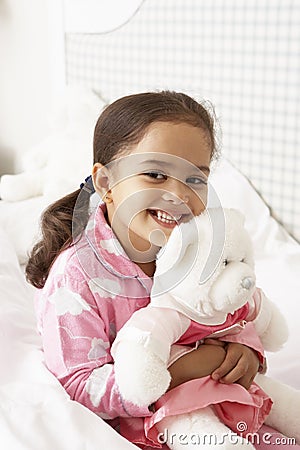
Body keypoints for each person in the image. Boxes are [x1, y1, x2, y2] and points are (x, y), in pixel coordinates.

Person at [26, 91, 298, 449]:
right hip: (155, 422)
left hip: (220, 397)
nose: (179, 195)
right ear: (106, 183)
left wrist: (245, 351)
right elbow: (79, 386)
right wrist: (185, 370)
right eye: (155, 174)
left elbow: (232, 309)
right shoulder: (77, 279)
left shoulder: (202, 246)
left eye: (196, 179)